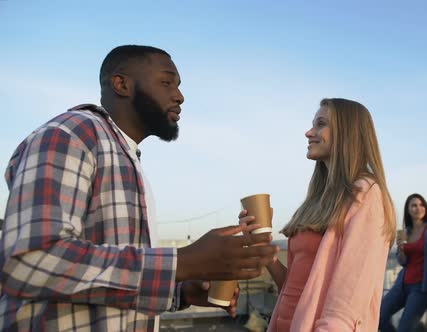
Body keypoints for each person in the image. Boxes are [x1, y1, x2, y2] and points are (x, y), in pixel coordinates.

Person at [0, 45, 279, 331]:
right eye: (166, 82)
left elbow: (105, 284)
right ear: (122, 84)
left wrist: (180, 291)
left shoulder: (124, 155)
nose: (179, 96)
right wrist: (182, 262)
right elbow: (30, 262)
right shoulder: (72, 133)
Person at [242, 98, 396, 331]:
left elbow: (346, 303)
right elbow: (297, 288)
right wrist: (265, 249)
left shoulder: (366, 194)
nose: (308, 132)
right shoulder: (317, 200)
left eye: (320, 124)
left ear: (348, 133)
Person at [379, 193, 427, 332]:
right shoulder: (406, 232)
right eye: (414, 205)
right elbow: (402, 261)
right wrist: (402, 249)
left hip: (422, 287)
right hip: (403, 284)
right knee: (379, 316)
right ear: (408, 209)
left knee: (405, 328)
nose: (418, 208)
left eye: (421, 205)